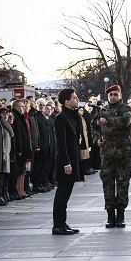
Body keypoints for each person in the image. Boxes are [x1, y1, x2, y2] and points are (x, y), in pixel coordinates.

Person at [92, 84, 131, 228]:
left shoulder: (127, 109)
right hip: (107, 153)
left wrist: (108, 121)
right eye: (111, 95)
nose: (113, 97)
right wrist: (97, 139)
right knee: (108, 183)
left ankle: (121, 215)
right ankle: (110, 216)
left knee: (122, 183)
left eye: (116, 94)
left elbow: (125, 121)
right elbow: (94, 126)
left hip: (123, 153)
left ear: (120, 95)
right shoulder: (102, 111)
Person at [52, 88, 83, 235]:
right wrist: (66, 163)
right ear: (67, 102)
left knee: (66, 194)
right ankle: (57, 225)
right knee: (62, 194)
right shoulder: (62, 117)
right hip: (66, 162)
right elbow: (61, 143)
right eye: (74, 98)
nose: (77, 100)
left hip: (72, 159)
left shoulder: (72, 115)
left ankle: (62, 223)